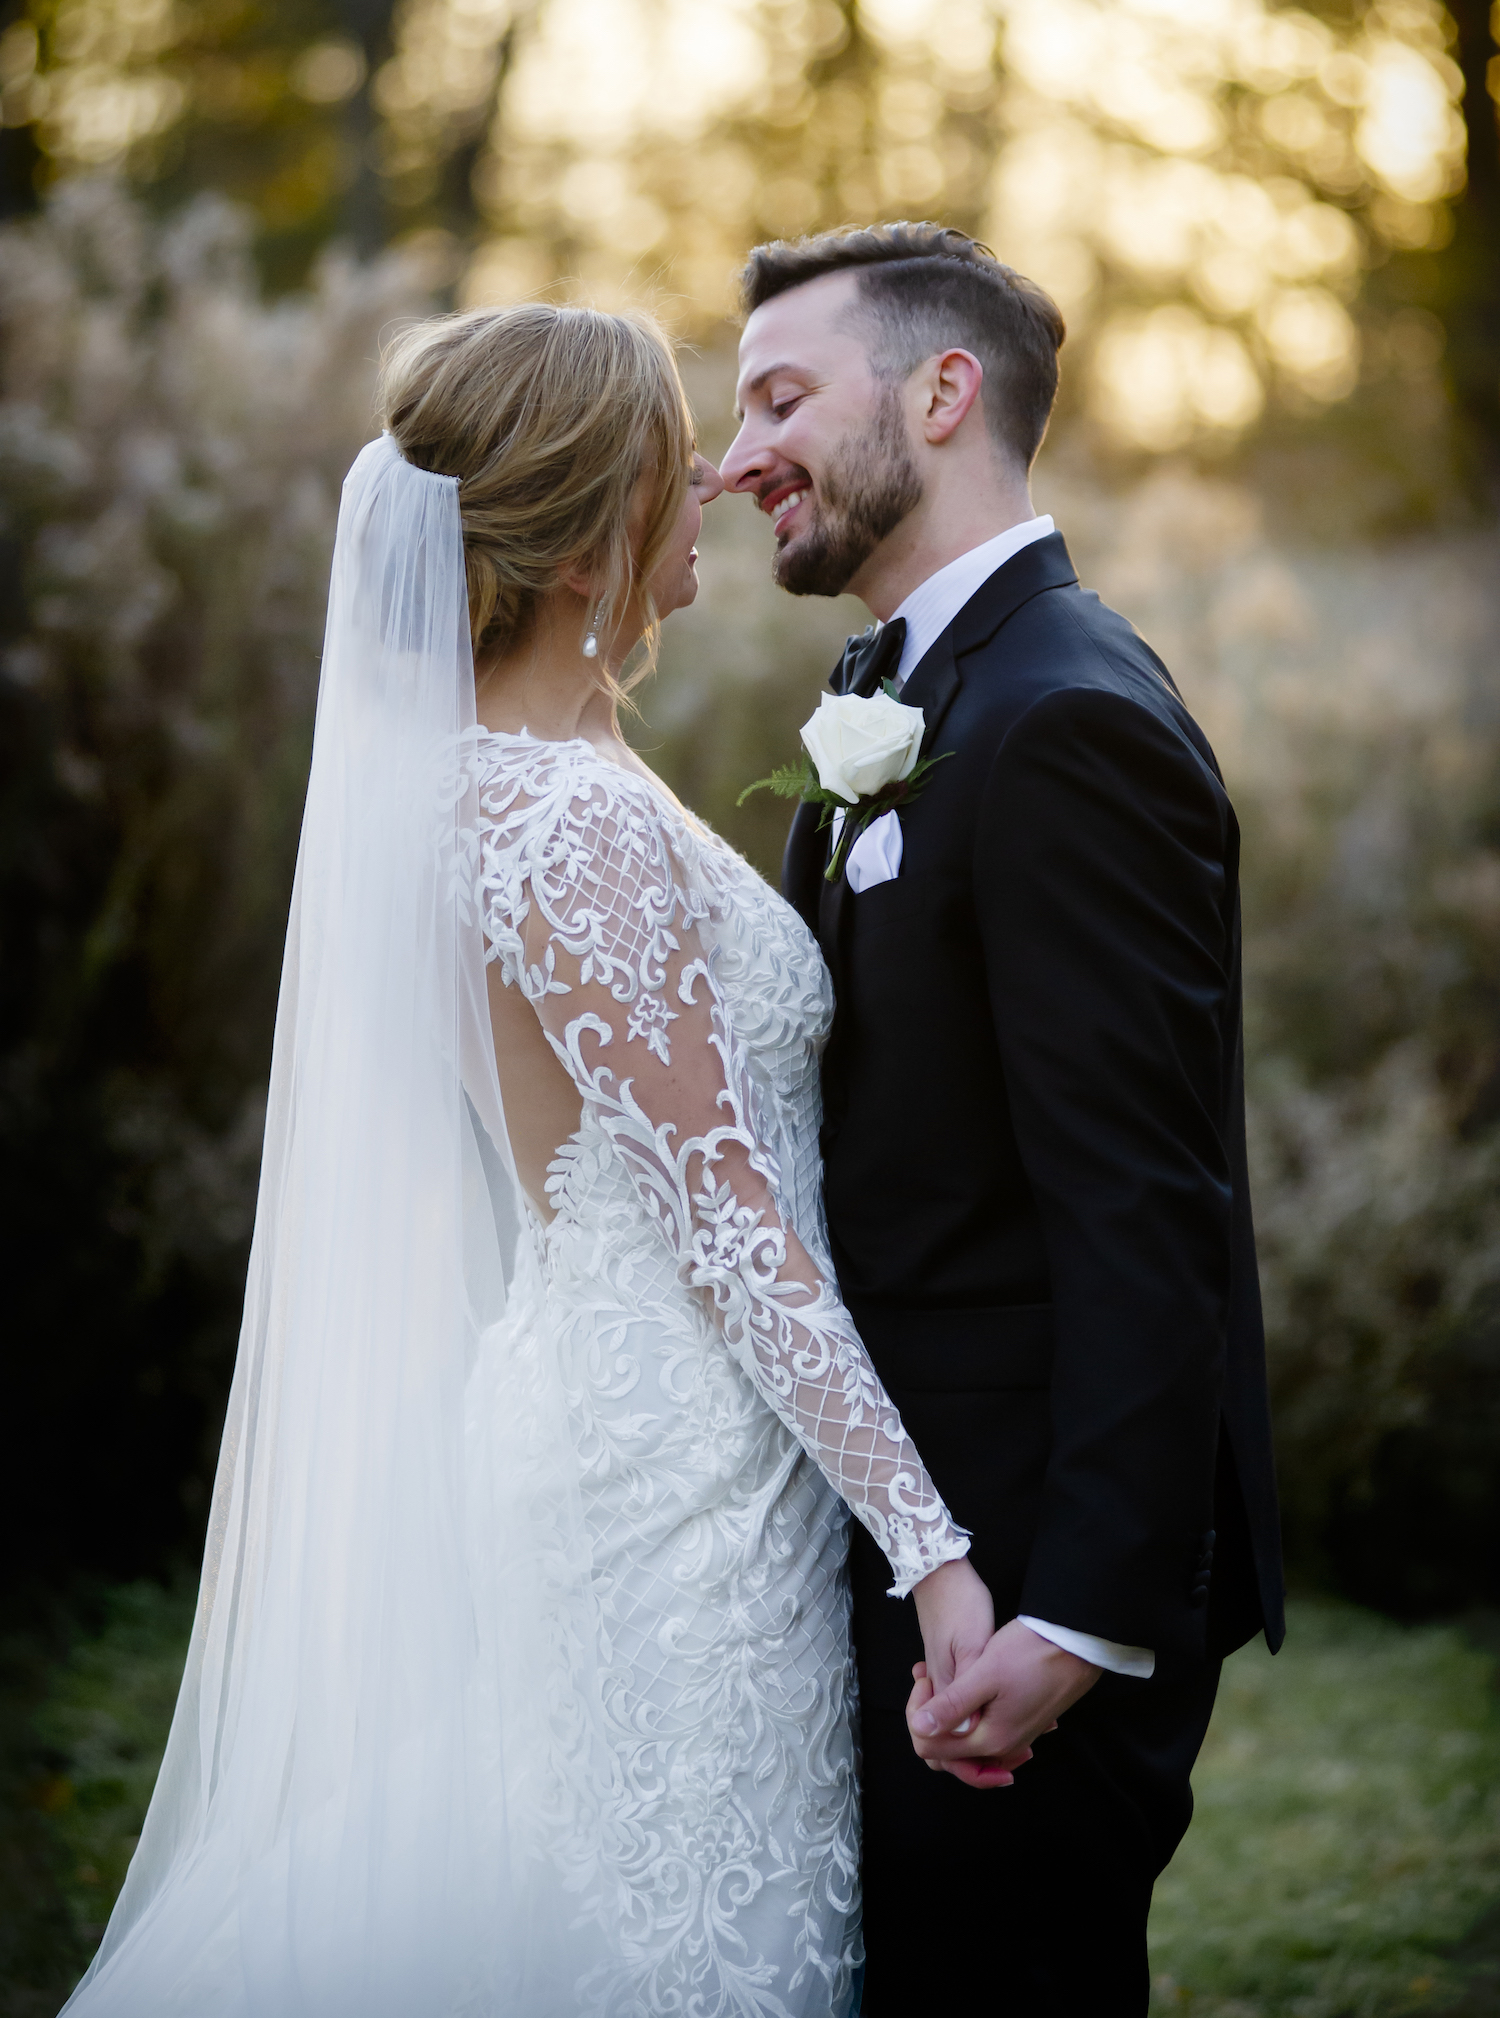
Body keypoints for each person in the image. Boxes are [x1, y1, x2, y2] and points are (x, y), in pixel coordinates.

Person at [61, 300, 999, 2018]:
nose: (713, 473)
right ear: (584, 538)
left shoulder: (521, 778)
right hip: (674, 1465)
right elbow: (727, 1221)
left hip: (633, 1412)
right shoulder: (557, 821)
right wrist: (932, 1552)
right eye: (672, 457)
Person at [721, 222, 1286, 2016]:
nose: (739, 456)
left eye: (781, 395)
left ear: (942, 392)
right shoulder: (914, 691)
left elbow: (1145, 1200)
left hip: (1022, 1573)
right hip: (927, 1530)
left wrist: (1082, 1618)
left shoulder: (1063, 719)